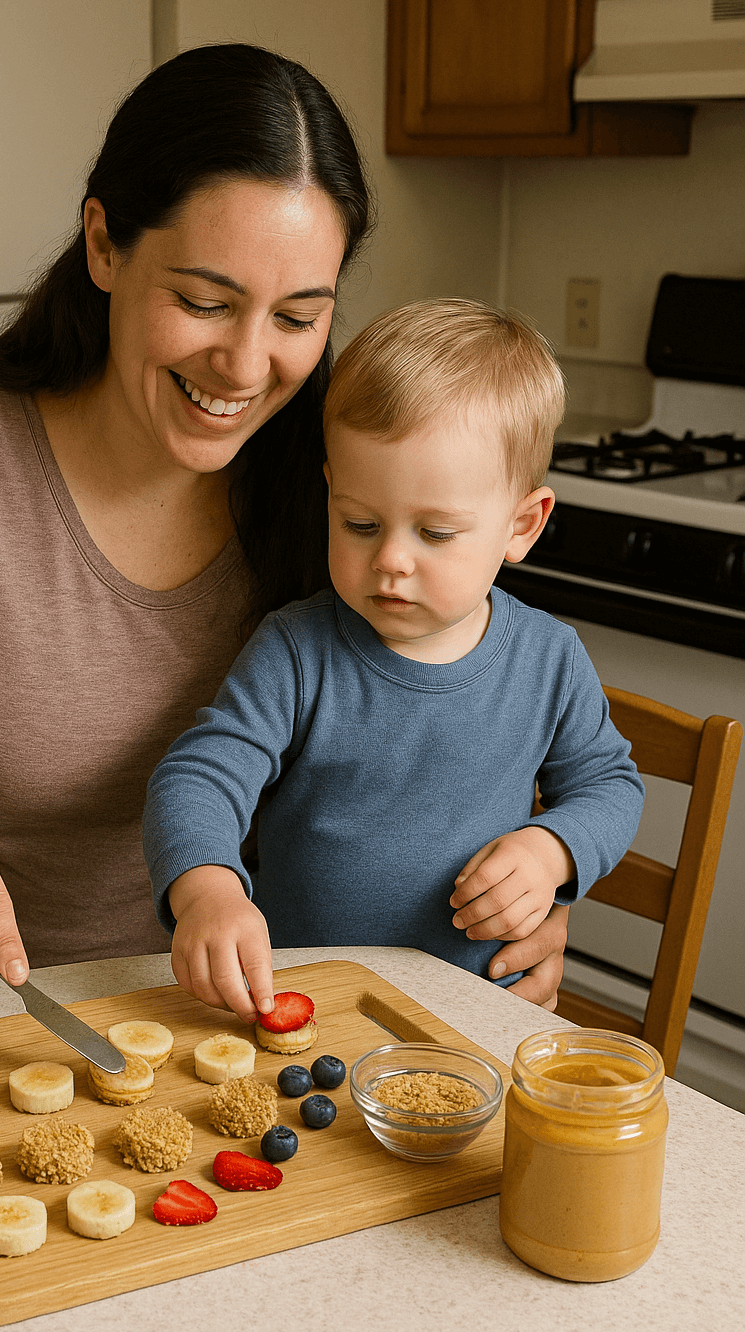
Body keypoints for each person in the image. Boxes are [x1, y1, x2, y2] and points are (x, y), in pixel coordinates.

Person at [0, 46, 568, 1021]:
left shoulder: (340, 488)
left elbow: (444, 729)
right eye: (204, 300)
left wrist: (523, 893)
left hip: (210, 1033)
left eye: (297, 315)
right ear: (104, 245)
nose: (245, 365)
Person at [143, 299, 645, 1023]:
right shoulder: (295, 651)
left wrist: (553, 851)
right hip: (302, 1010)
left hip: (476, 1019)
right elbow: (198, 776)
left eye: (435, 532)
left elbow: (610, 785)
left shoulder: (549, 659)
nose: (391, 561)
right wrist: (209, 890)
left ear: (522, 524)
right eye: (359, 523)